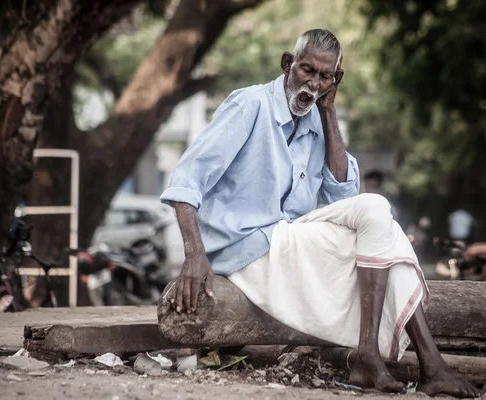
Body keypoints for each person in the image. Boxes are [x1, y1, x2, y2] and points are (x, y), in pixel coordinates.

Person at [160, 29, 481, 398]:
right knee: (378, 216)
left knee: (377, 218)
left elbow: (343, 193)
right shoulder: (250, 105)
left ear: (335, 80)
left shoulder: (316, 119)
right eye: (306, 71)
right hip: (244, 247)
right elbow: (186, 179)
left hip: (288, 241)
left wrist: (328, 112)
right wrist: (194, 254)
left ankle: (387, 360)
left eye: (324, 76)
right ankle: (415, 362)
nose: (312, 83)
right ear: (287, 65)